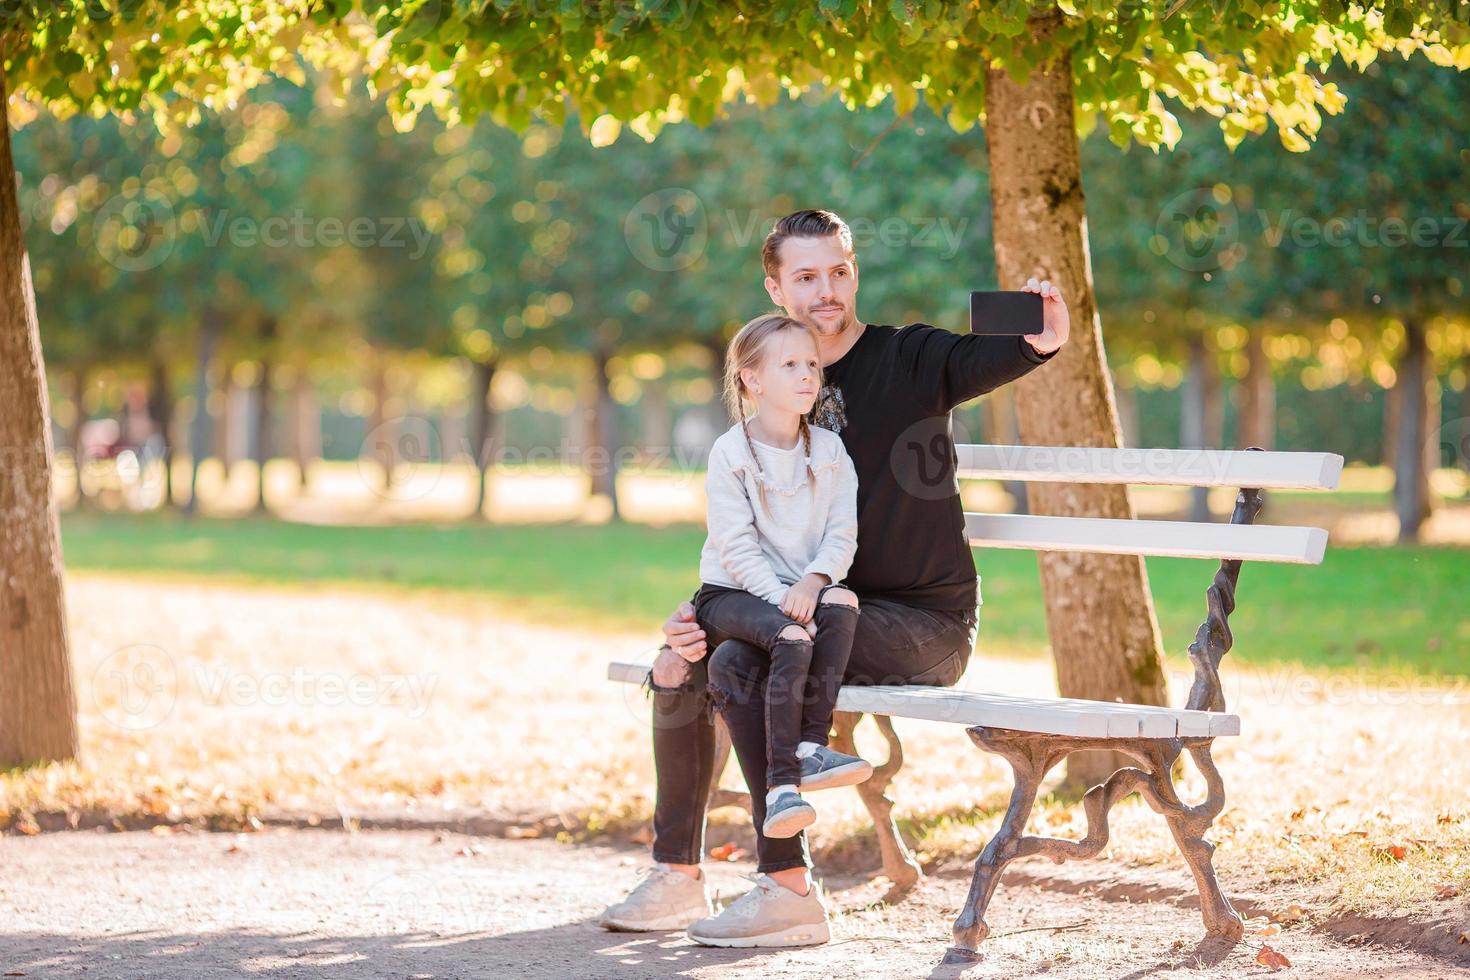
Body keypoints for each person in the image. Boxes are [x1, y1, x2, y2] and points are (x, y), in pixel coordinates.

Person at [600, 209, 1070, 947]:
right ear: (775, 286)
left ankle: (787, 888)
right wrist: (704, 609)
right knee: (701, 653)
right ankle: (677, 877)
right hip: (807, 607)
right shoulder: (773, 382)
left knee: (743, 660)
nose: (828, 290)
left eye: (840, 271)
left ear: (855, 272)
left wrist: (1041, 341)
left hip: (921, 625)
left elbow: (988, 360)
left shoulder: (908, 357)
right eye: (807, 276)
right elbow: (744, 524)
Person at [696, 312, 872, 858]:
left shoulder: (829, 450)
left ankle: (811, 747)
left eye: (813, 364)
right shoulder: (732, 452)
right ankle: (781, 787)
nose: (806, 376)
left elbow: (843, 534)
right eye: (789, 364)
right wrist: (785, 600)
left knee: (843, 601)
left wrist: (816, 581)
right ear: (751, 379)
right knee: (793, 637)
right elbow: (735, 546)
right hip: (733, 593)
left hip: (801, 589)